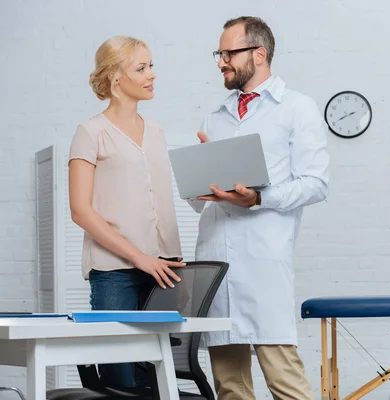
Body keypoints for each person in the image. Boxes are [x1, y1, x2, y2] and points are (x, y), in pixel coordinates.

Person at [187, 16, 330, 400]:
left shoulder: (297, 108)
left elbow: (316, 184)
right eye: (219, 54)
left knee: (285, 383)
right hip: (216, 264)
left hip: (264, 263)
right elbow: (196, 203)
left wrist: (259, 198)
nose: (221, 62)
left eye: (228, 53)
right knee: (230, 388)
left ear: (259, 54)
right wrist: (198, 180)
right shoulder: (214, 117)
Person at [68, 35, 185, 389]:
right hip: (115, 271)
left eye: (152, 66)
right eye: (142, 68)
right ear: (117, 77)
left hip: (166, 267)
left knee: (160, 377)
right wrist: (139, 258)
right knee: (120, 380)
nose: (152, 75)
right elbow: (80, 210)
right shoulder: (90, 133)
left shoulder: (158, 132)